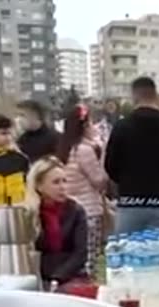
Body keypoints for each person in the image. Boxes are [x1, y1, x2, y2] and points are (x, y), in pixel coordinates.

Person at [103, 76, 159, 234]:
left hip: (129, 201)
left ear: (134, 96)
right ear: (155, 95)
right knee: (156, 253)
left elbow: (110, 166)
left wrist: (125, 180)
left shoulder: (121, 128)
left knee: (128, 253)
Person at [26, 156, 89, 286]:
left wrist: (58, 278)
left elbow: (81, 253)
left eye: (64, 181)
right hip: (39, 276)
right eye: (56, 182)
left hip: (71, 275)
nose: (62, 187)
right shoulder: (29, 214)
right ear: (39, 186)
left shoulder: (76, 210)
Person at [59, 104, 108, 268]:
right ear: (85, 126)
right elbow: (99, 180)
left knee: (74, 257)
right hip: (89, 210)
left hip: (68, 210)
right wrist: (103, 157)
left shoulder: (64, 149)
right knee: (89, 258)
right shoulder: (84, 150)